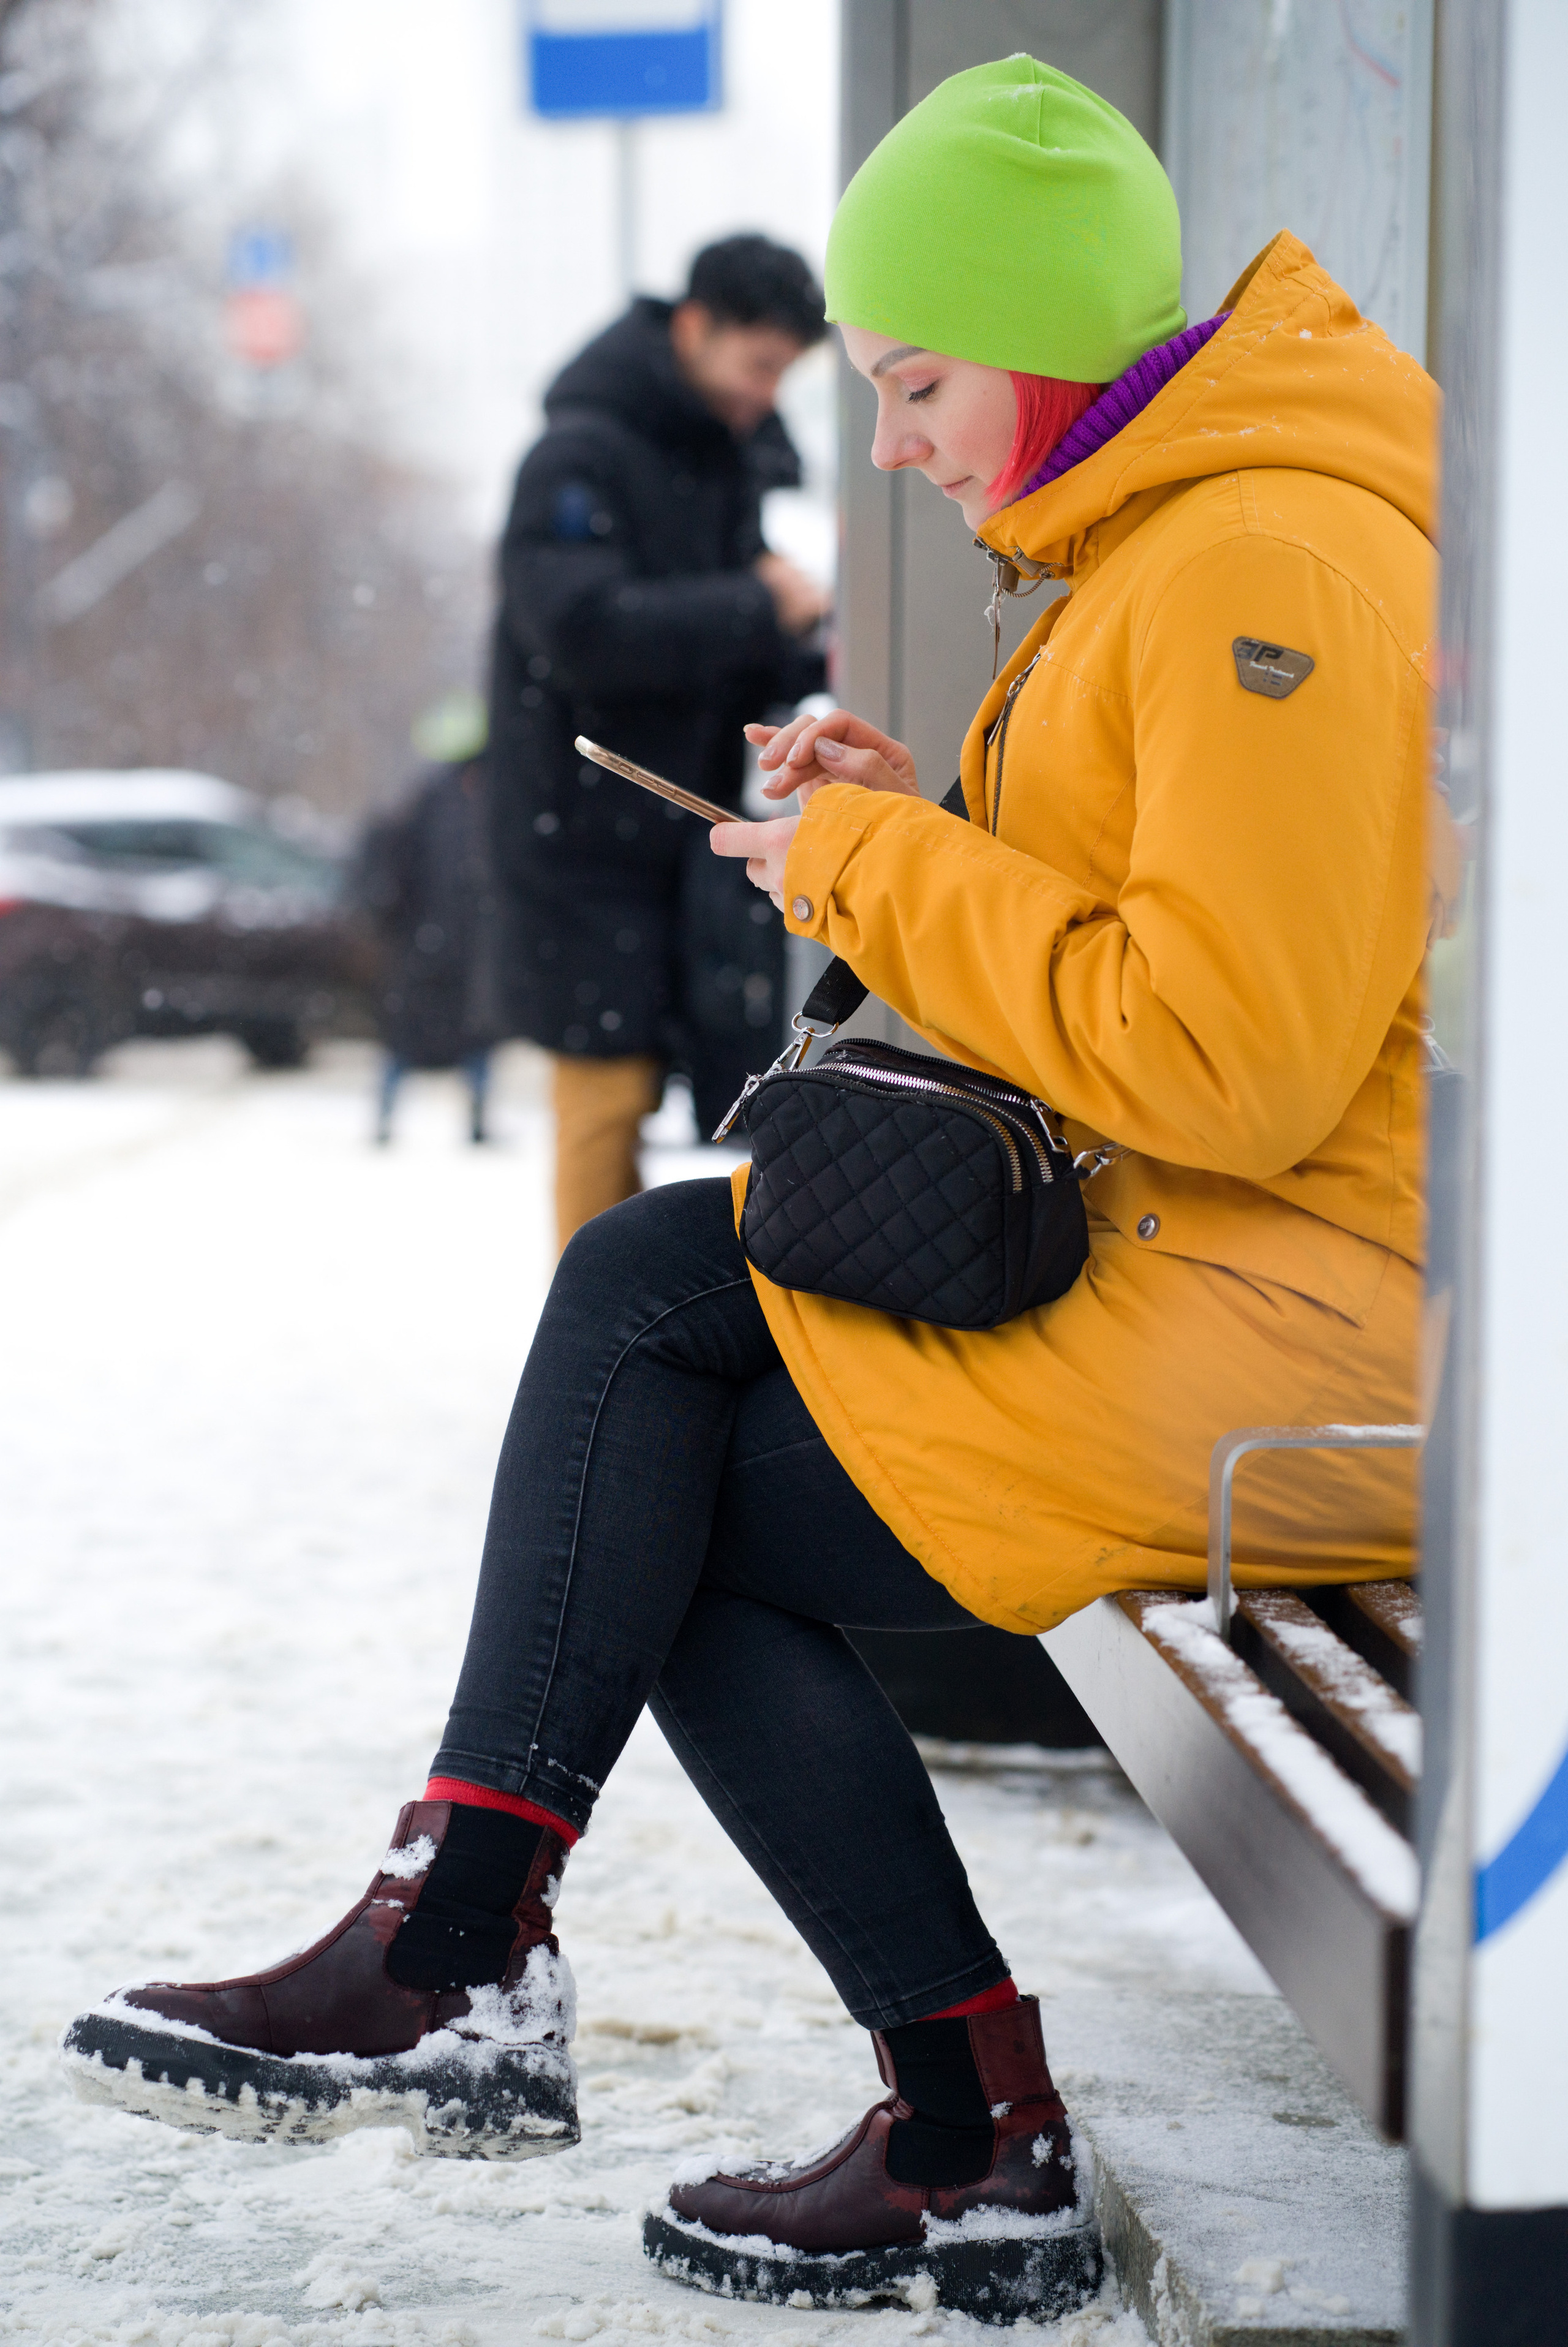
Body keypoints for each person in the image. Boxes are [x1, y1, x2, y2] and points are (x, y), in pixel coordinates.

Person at [65, 57, 1449, 2318]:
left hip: (1306, 1315)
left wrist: (884, 867)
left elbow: (1229, 1057)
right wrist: (918, 822)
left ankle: (654, 2014)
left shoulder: (1249, 567)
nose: (884, 442)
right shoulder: (1173, 546)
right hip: (1218, 1262)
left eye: (914, 381)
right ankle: (565, 1977)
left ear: (1036, 343)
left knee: (657, 1445)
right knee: (644, 1321)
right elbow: (1173, 930)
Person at [486, 233, 831, 1254]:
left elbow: (719, 645)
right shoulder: (576, 458)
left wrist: (805, 641)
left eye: (783, 373)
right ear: (693, 327)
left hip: (688, 837)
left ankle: (659, 1322)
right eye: (757, 363)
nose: (766, 393)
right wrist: (759, 606)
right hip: (580, 843)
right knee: (605, 1095)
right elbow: (580, 630)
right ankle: (592, 1334)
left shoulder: (725, 458)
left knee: (728, 1091)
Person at [355, 694, 496, 1147]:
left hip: (424, 947)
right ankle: (474, 1122)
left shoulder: (420, 801)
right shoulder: (475, 803)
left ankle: (387, 1119)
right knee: (472, 1038)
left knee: (408, 1040)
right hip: (454, 947)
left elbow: (389, 877)